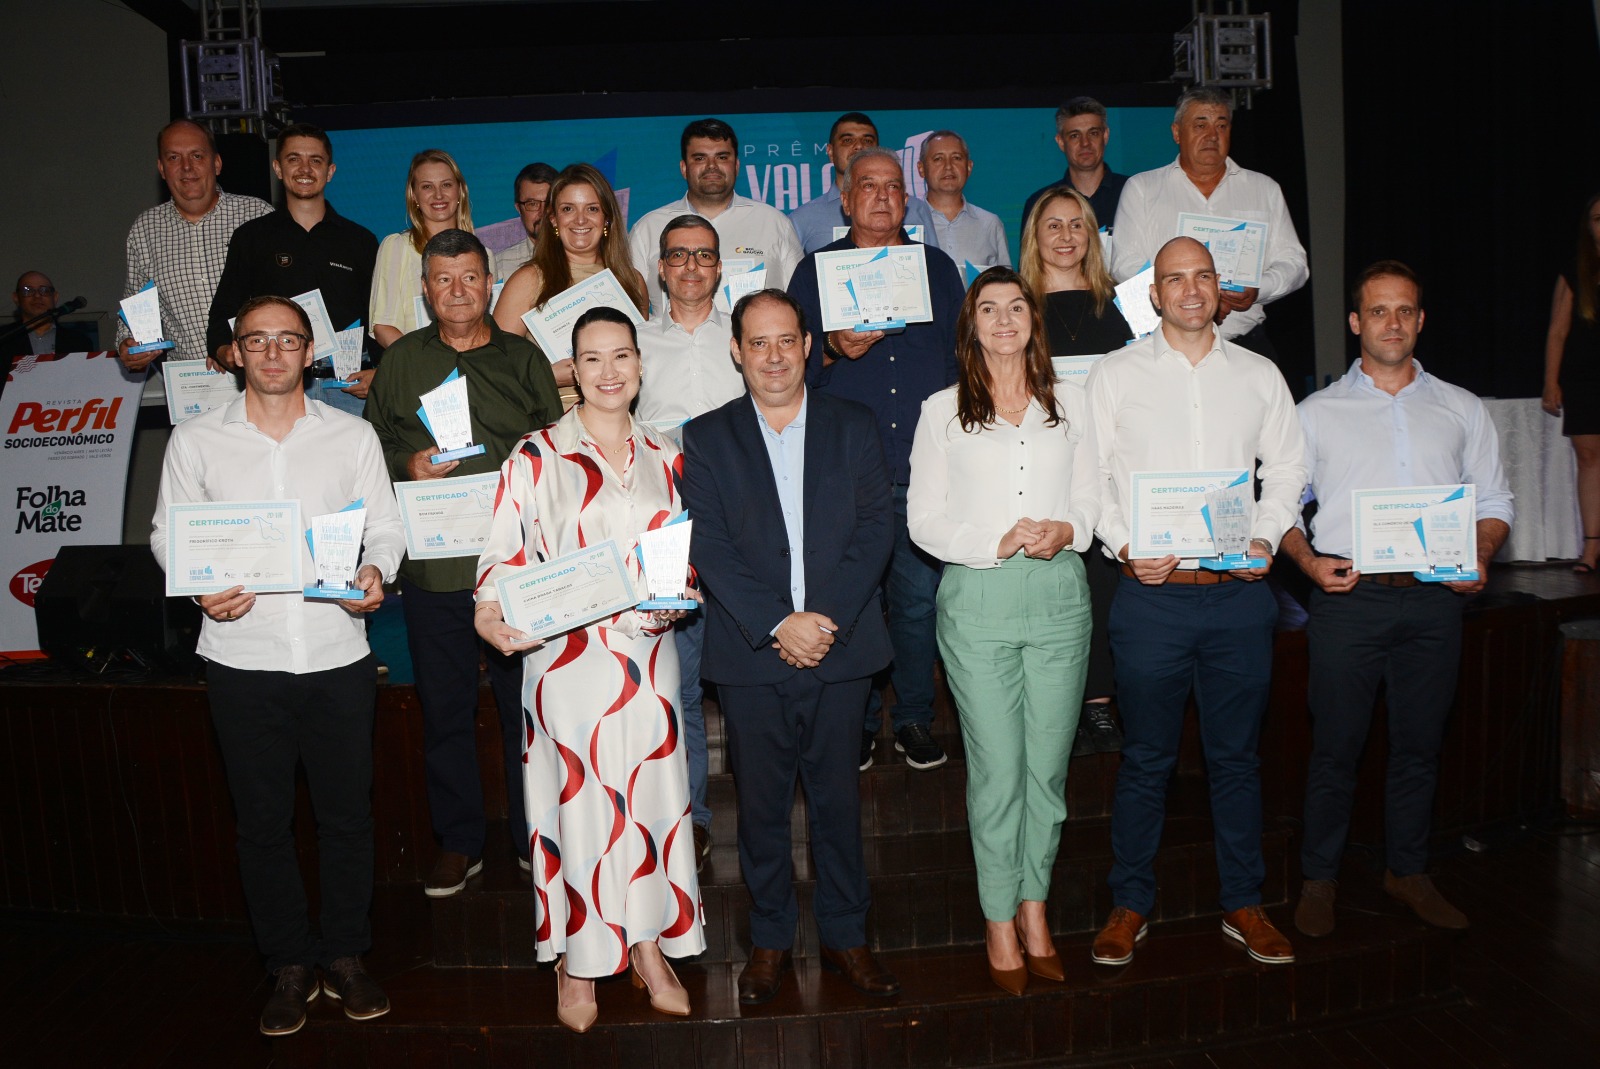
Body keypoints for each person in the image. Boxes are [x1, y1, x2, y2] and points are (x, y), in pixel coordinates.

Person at [151, 294, 405, 1036]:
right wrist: (197, 585)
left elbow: (386, 526)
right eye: (256, 340)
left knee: (346, 817)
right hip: (242, 657)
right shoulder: (196, 439)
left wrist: (376, 571)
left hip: (335, 652)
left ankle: (347, 956)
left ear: (309, 350)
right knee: (262, 823)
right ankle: (289, 964)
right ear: (234, 352)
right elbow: (167, 533)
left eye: (287, 340)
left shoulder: (350, 434)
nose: (271, 353)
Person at [473, 306, 703, 1033]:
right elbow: (501, 555)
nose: (609, 371)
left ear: (640, 364)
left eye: (622, 355)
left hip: (647, 660)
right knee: (577, 807)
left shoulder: (669, 452)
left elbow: (683, 553)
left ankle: (647, 946)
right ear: (572, 369)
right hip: (565, 663)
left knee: (652, 803)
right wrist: (489, 613)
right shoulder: (536, 453)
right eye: (593, 358)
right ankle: (577, 959)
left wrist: (677, 594)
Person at [1085, 236, 1306, 968]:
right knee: (1146, 758)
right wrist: (1123, 544)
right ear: (1153, 294)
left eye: (1202, 275)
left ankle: (1244, 901)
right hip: (1152, 600)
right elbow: (1091, 479)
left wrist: (1267, 535)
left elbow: (1289, 467)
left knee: (1236, 760)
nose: (1189, 289)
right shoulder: (1115, 374)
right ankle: (1130, 903)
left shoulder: (1259, 374)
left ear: (1218, 286)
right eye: (1174, 278)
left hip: (1240, 598)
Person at [681, 289, 900, 1005]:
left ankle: (846, 935)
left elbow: (877, 527)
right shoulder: (706, 436)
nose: (773, 356)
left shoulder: (854, 424)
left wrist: (820, 619)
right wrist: (779, 622)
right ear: (737, 351)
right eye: (758, 342)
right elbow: (709, 543)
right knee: (761, 808)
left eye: (786, 341)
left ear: (808, 346)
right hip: (752, 655)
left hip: (841, 646)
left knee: (839, 804)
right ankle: (770, 939)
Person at [1286, 261, 1512, 938]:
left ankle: (1407, 871)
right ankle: (1319, 878)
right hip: (1349, 601)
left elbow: (1495, 499)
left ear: (1420, 320)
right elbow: (1280, 508)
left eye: (1405, 310)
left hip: (1435, 602)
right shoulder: (1315, 413)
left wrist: (1481, 554)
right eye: (1379, 311)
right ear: (1356, 322)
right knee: (1336, 748)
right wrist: (1309, 562)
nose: (1393, 323)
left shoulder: (1461, 407)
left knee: (1419, 745)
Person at [907, 267, 1098, 996]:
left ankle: (1034, 908)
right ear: (972, 327)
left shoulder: (1071, 403)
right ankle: (997, 917)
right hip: (978, 600)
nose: (1005, 319)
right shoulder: (940, 411)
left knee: (1047, 769)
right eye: (989, 309)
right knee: (997, 772)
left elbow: (1094, 497)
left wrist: (1069, 529)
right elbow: (922, 520)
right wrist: (996, 540)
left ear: (1032, 321)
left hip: (1059, 598)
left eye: (1017, 306)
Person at [364, 229, 560, 896]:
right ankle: (457, 840)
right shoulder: (401, 362)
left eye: (470, 277)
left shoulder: (523, 359)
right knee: (444, 709)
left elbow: (556, 447)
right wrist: (407, 462)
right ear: (425, 290)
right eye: (443, 279)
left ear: (490, 284)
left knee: (524, 710)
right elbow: (372, 443)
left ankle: (534, 834)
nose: (457, 291)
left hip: (516, 568)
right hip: (437, 569)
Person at [789, 147, 964, 773]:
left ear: (906, 199)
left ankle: (913, 717)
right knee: (853, 604)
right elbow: (788, 370)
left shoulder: (935, 268)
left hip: (922, 466)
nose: (882, 196)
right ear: (845, 198)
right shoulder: (815, 273)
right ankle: (859, 723)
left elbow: (960, 360)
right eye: (868, 185)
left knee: (916, 604)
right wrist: (833, 348)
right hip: (845, 472)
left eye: (893, 186)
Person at [635, 214, 747, 872]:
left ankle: (760, 813)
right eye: (678, 255)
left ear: (719, 266)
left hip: (738, 528)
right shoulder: (638, 341)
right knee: (677, 687)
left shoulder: (742, 336)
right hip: (664, 530)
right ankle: (691, 820)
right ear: (660, 267)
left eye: (703, 255)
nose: (691, 267)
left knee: (746, 684)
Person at [1018, 186, 1134, 757]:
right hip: (1041, 463)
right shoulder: (1018, 308)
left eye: (1076, 225)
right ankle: (1053, 707)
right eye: (1053, 226)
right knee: (1052, 589)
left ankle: (1099, 703)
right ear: (1034, 239)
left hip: (1110, 463)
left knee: (1104, 584)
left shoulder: (1124, 307)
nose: (1066, 237)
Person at [1111, 88, 1308, 359]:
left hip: (1245, 346)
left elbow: (1294, 264)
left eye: (1221, 126)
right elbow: (1125, 264)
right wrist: (1197, 296)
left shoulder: (1264, 189)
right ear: (1177, 133)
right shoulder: (1142, 189)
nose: (1212, 135)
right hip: (1167, 348)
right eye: (1200, 125)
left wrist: (1258, 288)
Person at [205, 124, 379, 415]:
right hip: (278, 381)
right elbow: (223, 311)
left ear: (330, 171)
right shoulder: (252, 237)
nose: (305, 169)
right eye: (294, 159)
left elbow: (378, 316)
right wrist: (225, 351)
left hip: (349, 386)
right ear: (278, 168)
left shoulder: (360, 241)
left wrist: (382, 372)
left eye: (315, 160)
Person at [116, 120, 272, 386]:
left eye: (197, 156)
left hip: (258, 377)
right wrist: (127, 344)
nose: (186, 167)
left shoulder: (257, 215)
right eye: (174, 157)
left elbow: (286, 297)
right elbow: (135, 302)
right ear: (161, 169)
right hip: (191, 386)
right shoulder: (145, 230)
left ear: (217, 164)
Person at [493, 163, 648, 405]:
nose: (580, 219)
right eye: (568, 209)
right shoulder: (528, 280)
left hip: (621, 417)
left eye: (592, 208)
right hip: (554, 419)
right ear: (553, 219)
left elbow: (640, 362)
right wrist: (547, 377)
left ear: (607, 218)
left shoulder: (632, 281)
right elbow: (492, 367)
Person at [627, 118, 804, 315]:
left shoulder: (774, 223)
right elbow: (631, 312)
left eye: (722, 157)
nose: (712, 166)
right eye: (700, 158)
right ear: (684, 168)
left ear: (736, 165)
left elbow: (801, 304)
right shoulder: (648, 229)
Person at [369, 149, 492, 349]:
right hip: (414, 365)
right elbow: (383, 327)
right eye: (427, 186)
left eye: (446, 185)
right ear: (414, 195)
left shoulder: (485, 255)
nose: (438, 194)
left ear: (460, 191)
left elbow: (488, 326)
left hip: (473, 364)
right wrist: (424, 362)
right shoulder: (397, 247)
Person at [1542, 191, 1600, 573]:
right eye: (1598, 219)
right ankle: (1591, 549)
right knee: (1590, 459)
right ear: (1588, 227)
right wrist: (1551, 381)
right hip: (1585, 377)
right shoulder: (1575, 271)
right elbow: (1558, 331)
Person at [787, 112, 944, 254]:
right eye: (847, 140)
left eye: (867, 141)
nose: (859, 146)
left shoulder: (915, 209)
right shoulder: (803, 218)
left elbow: (931, 265)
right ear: (830, 151)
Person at [1020, 97, 1129, 248]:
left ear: (1105, 136)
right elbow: (1029, 261)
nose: (1085, 143)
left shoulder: (1133, 192)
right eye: (1074, 135)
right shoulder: (1040, 202)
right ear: (1061, 142)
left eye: (1093, 133)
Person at [917, 130, 1011, 271]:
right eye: (938, 159)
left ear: (969, 167)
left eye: (956, 158)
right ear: (921, 169)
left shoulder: (990, 224)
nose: (948, 166)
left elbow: (1005, 281)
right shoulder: (905, 223)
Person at [3, 271, 94, 359]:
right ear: (16, 298)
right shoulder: (4, 338)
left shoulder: (79, 342)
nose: (37, 296)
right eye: (28, 290)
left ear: (55, 297)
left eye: (45, 290)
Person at [498, 162, 558, 276]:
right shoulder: (500, 266)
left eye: (549, 203)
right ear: (519, 209)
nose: (542, 212)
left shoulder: (584, 259)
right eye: (532, 204)